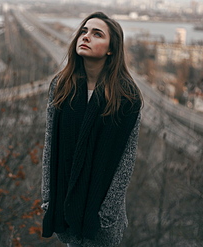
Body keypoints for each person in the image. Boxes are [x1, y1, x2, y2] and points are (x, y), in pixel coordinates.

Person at [41, 11, 143, 247]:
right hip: (65, 211)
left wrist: (105, 215)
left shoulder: (126, 97)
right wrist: (48, 199)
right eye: (84, 31)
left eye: (97, 34)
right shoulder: (61, 86)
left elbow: (126, 161)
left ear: (111, 49)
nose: (86, 36)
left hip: (102, 222)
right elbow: (50, 145)